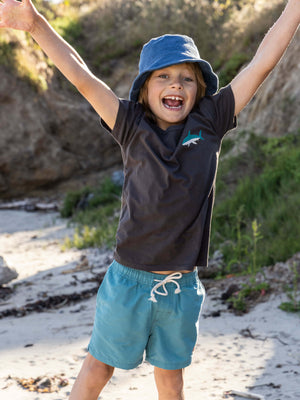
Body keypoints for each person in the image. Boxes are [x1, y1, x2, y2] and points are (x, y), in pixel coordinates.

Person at [0, 1, 299, 399]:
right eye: (164, 76)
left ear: (200, 90)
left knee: (171, 377)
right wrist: (36, 24)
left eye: (187, 78)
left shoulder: (210, 122)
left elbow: (261, 64)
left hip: (182, 287)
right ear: (144, 90)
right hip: (129, 282)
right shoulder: (131, 125)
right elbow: (82, 77)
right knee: (99, 365)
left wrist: (294, 8)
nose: (176, 85)